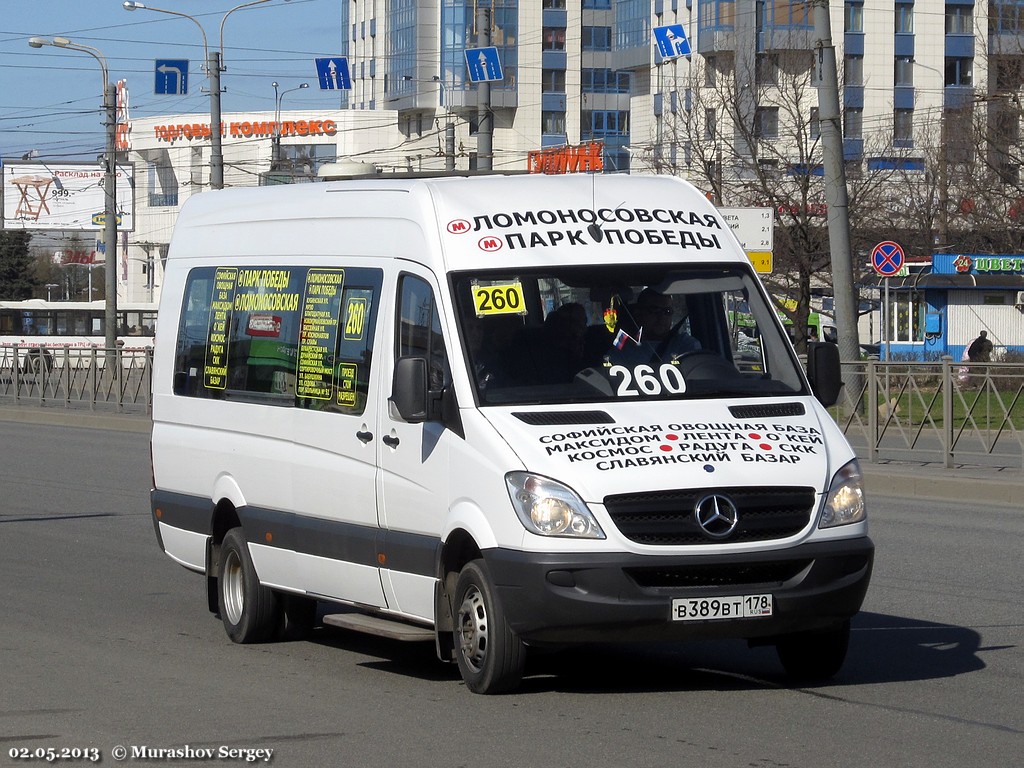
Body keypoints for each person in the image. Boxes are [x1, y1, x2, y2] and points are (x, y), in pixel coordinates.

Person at [609, 288, 700, 366]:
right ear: (638, 314)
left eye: (667, 311)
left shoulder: (685, 345)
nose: (662, 317)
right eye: (654, 310)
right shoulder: (623, 347)